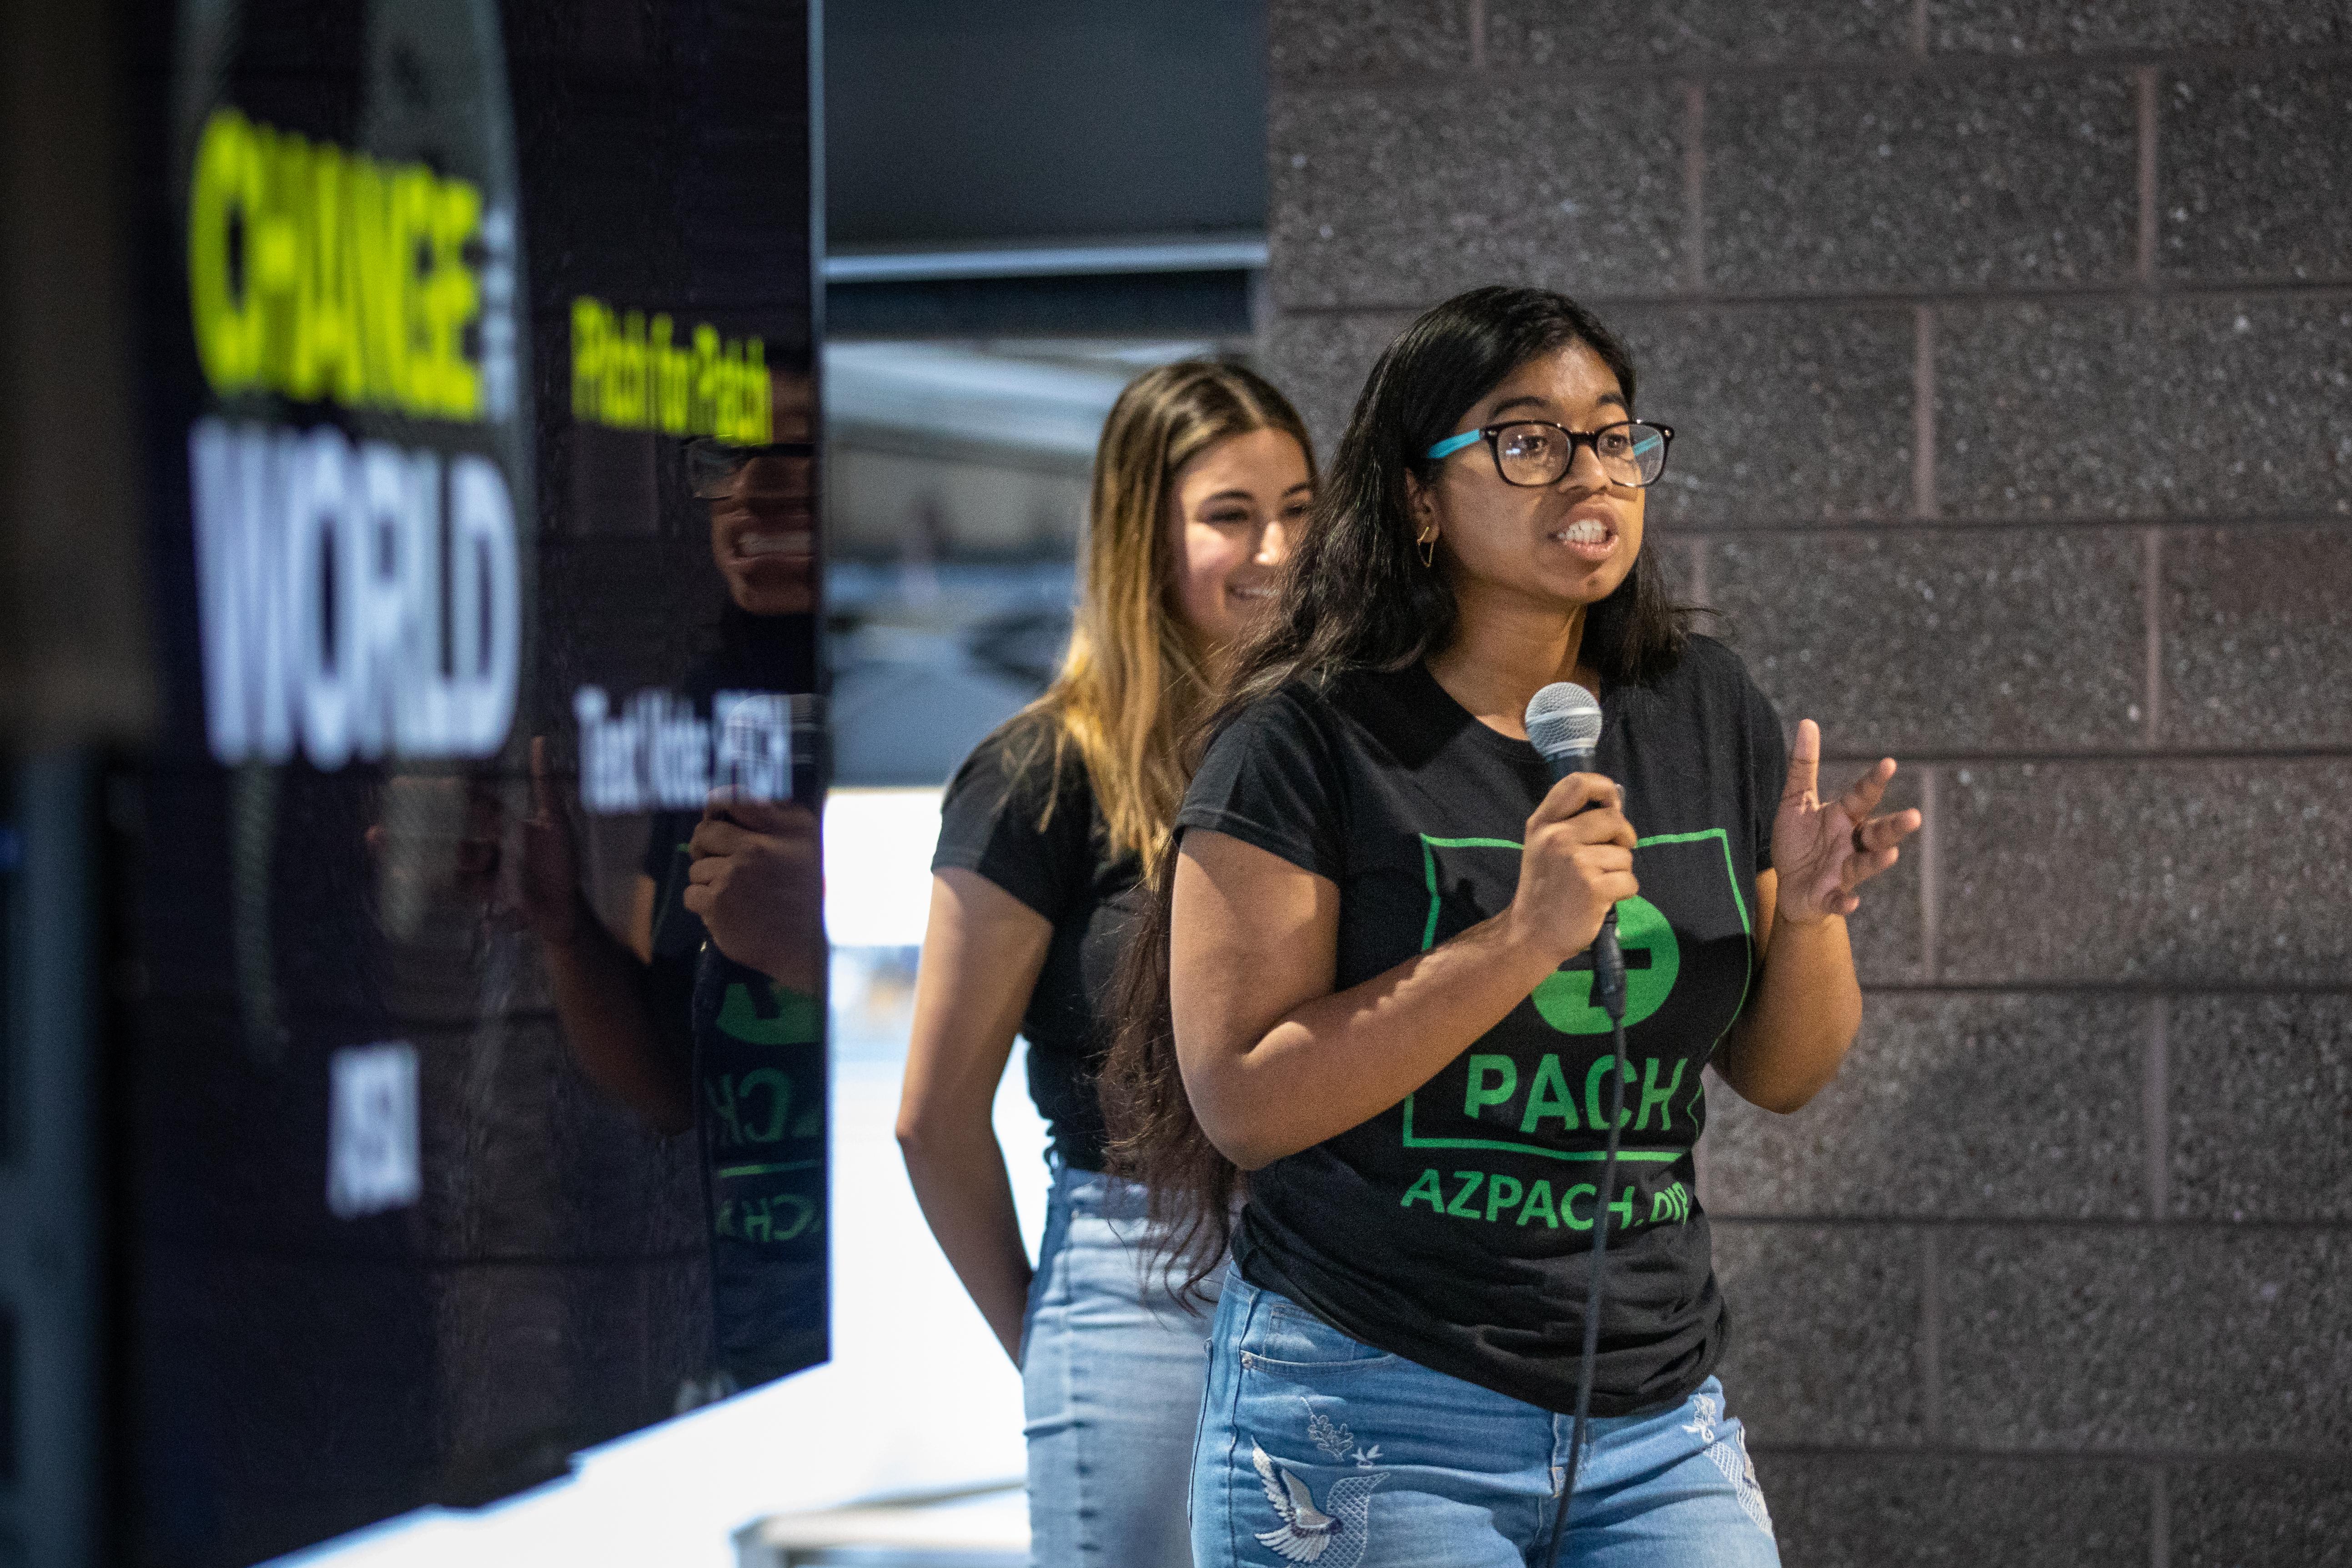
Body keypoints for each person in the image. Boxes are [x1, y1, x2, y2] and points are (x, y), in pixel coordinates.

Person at [1105, 287, 1921, 1567]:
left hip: (1652, 1412)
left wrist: (1811, 920)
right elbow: (1244, 1103)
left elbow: (1780, 1072)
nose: (1586, 471)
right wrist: (1517, 941)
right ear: (1419, 499)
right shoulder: (1304, 742)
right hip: (1367, 1408)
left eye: (1609, 436)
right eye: (1525, 440)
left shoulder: (1702, 706)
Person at [899, 361, 1316, 1568]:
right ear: (1145, 537)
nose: (1277, 550)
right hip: (1138, 1275)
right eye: (1230, 517)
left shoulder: (1339, 766)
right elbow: (931, 1121)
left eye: (1298, 509)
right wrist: (1050, 1337)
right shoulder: (1037, 777)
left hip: (1344, 1267)